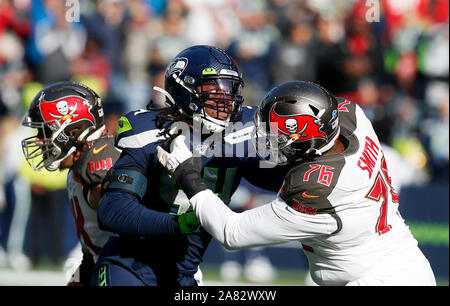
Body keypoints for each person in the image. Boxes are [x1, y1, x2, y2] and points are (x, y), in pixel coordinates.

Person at [158, 81, 437, 286]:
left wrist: (188, 175)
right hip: (402, 264)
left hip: (380, 278)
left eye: (275, 135)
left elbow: (232, 232)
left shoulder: (317, 189)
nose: (267, 142)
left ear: (304, 138)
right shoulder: (352, 118)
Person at [91, 45, 288, 286]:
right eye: (213, 87)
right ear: (184, 87)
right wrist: (175, 224)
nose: (225, 98)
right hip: (130, 267)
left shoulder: (244, 130)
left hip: (184, 274)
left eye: (230, 88)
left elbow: (275, 179)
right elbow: (113, 210)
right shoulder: (149, 130)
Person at [21, 82, 121, 285]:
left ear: (74, 131)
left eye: (46, 132)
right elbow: (93, 249)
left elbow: (136, 232)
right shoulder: (78, 171)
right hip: (110, 266)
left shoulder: (106, 163)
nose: (39, 141)